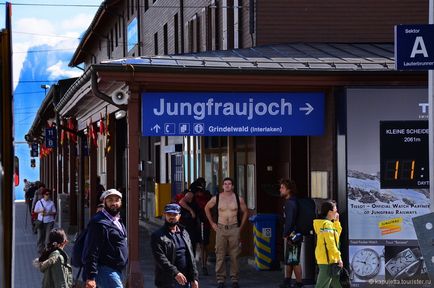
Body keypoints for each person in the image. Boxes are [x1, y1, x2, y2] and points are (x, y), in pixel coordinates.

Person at [204, 177, 248, 288]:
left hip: (234, 228)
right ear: (222, 186)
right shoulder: (217, 198)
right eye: (225, 184)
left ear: (233, 186)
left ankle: (235, 280)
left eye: (229, 184)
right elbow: (206, 208)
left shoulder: (238, 199)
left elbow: (246, 212)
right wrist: (212, 224)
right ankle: (220, 280)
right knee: (220, 255)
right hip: (221, 228)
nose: (227, 185)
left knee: (235, 255)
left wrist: (240, 227)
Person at [82, 189, 128, 288]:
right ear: (104, 202)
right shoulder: (98, 222)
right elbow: (91, 249)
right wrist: (91, 276)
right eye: (110, 200)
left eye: (117, 200)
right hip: (105, 269)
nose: (114, 203)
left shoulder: (118, 220)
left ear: (121, 202)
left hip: (117, 269)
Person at [151, 203, 199, 288]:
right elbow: (160, 259)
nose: (172, 217)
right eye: (169, 214)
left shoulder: (184, 233)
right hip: (168, 281)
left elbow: (191, 257)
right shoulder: (157, 235)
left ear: (179, 216)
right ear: (164, 215)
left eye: (174, 214)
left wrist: (194, 278)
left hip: (185, 280)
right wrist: (175, 273)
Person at [279, 179, 303, 288]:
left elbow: (289, 220)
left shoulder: (290, 203)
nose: (280, 189)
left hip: (293, 235)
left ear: (289, 190)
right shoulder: (294, 201)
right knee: (289, 259)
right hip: (295, 234)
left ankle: (299, 283)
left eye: (282, 188)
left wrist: (285, 234)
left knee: (294, 260)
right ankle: (287, 281)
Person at [313, 200, 343, 288]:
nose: (337, 213)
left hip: (328, 259)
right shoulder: (327, 225)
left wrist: (337, 222)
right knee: (321, 286)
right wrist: (338, 258)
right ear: (330, 212)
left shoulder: (327, 224)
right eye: (335, 211)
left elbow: (336, 235)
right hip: (327, 260)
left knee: (336, 284)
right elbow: (331, 244)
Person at [191, 178, 212, 275]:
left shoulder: (208, 195)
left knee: (203, 244)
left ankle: (203, 266)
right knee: (196, 244)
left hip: (204, 222)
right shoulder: (192, 195)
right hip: (195, 223)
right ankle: (194, 266)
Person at [34, 188, 57, 255]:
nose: (48, 195)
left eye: (49, 194)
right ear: (43, 195)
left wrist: (49, 213)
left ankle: (47, 249)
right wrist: (41, 211)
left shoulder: (51, 203)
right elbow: (35, 211)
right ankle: (40, 249)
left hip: (49, 221)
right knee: (40, 236)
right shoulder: (39, 202)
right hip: (40, 221)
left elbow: (54, 212)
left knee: (48, 237)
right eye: (46, 194)